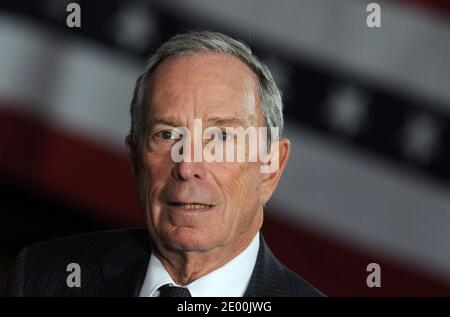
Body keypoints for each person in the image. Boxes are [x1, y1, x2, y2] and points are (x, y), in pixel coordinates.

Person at [5, 31, 324, 297]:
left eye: (221, 137)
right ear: (135, 160)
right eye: (167, 134)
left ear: (271, 166)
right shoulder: (40, 276)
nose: (187, 165)